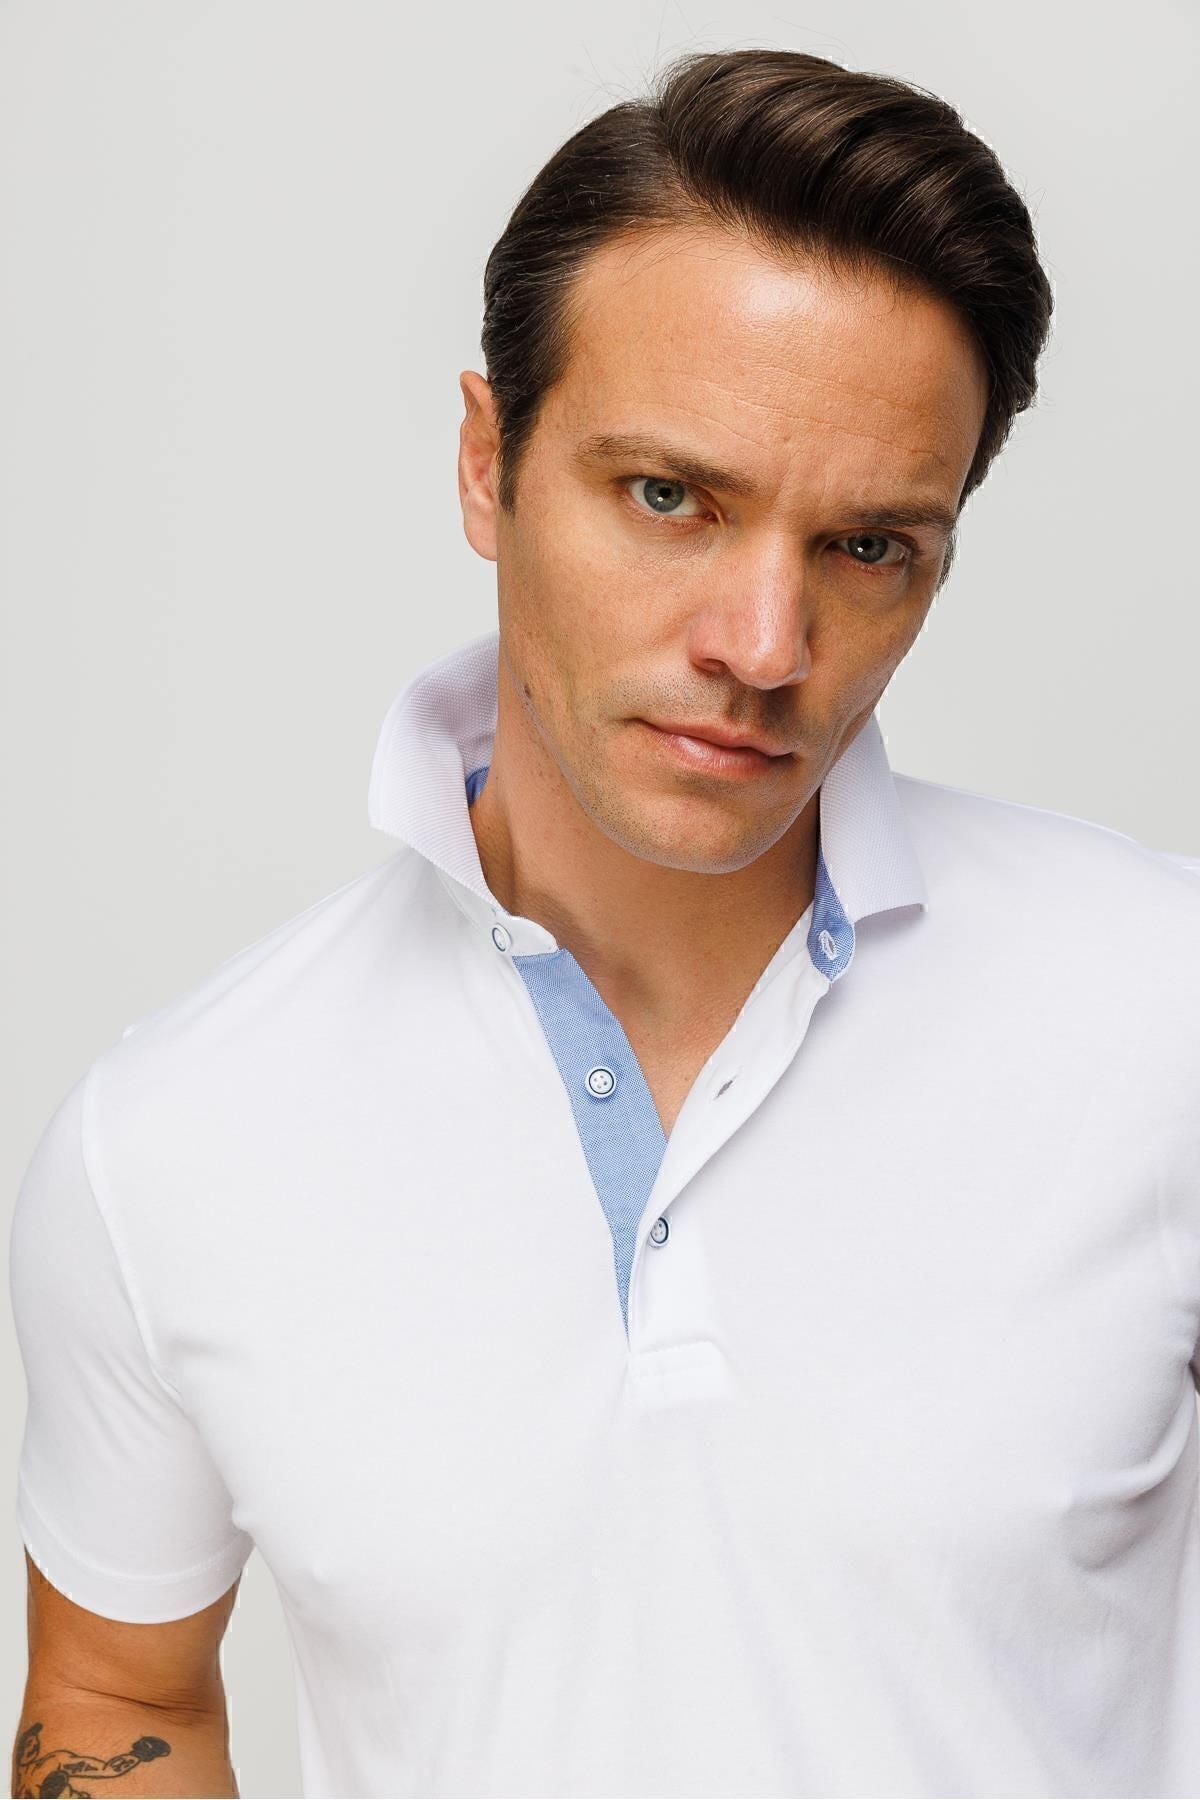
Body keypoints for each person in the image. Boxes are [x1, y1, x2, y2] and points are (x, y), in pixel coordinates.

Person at [9, 43, 1200, 1800]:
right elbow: (126, 1694)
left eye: (870, 547)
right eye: (670, 498)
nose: (764, 645)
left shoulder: (1161, 1010)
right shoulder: (170, 1141)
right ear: (486, 462)